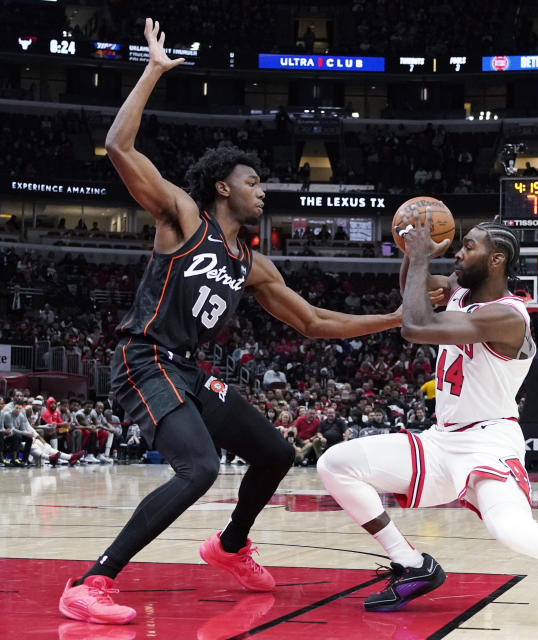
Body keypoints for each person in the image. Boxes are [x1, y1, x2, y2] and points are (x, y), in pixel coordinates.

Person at [59, 18, 403, 626]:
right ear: (224, 188)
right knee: (200, 469)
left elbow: (315, 322)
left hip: (187, 370)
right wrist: (153, 71)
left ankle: (230, 546)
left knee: (273, 452)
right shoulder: (184, 218)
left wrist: (395, 318)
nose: (262, 190)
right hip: (145, 360)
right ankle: (92, 582)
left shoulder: (252, 262)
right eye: (253, 182)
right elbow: (119, 147)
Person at [317, 217, 538, 637]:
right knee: (335, 464)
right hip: (442, 440)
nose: (459, 253)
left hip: (489, 442)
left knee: (512, 531)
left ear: (497, 259)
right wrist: (412, 255)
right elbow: (415, 294)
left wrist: (417, 258)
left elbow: (416, 326)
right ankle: (413, 565)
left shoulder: (508, 317)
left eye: (468, 247)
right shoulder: (461, 292)